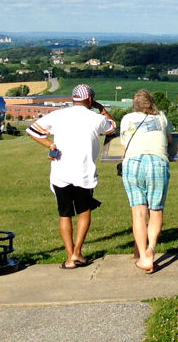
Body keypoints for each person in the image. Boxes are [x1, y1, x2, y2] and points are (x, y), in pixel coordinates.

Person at [26, 84, 116, 269]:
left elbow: (32, 131)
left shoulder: (58, 115)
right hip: (84, 173)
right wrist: (101, 108)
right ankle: (77, 253)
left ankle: (69, 257)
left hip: (60, 172)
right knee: (84, 211)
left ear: (73, 98)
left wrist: (50, 144)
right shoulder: (95, 118)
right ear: (90, 99)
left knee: (64, 214)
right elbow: (112, 128)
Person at [120, 89, 173, 273]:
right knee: (156, 210)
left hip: (133, 163)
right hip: (157, 162)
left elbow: (124, 144)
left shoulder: (126, 119)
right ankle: (151, 249)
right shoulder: (161, 117)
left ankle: (143, 256)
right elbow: (169, 139)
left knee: (138, 213)